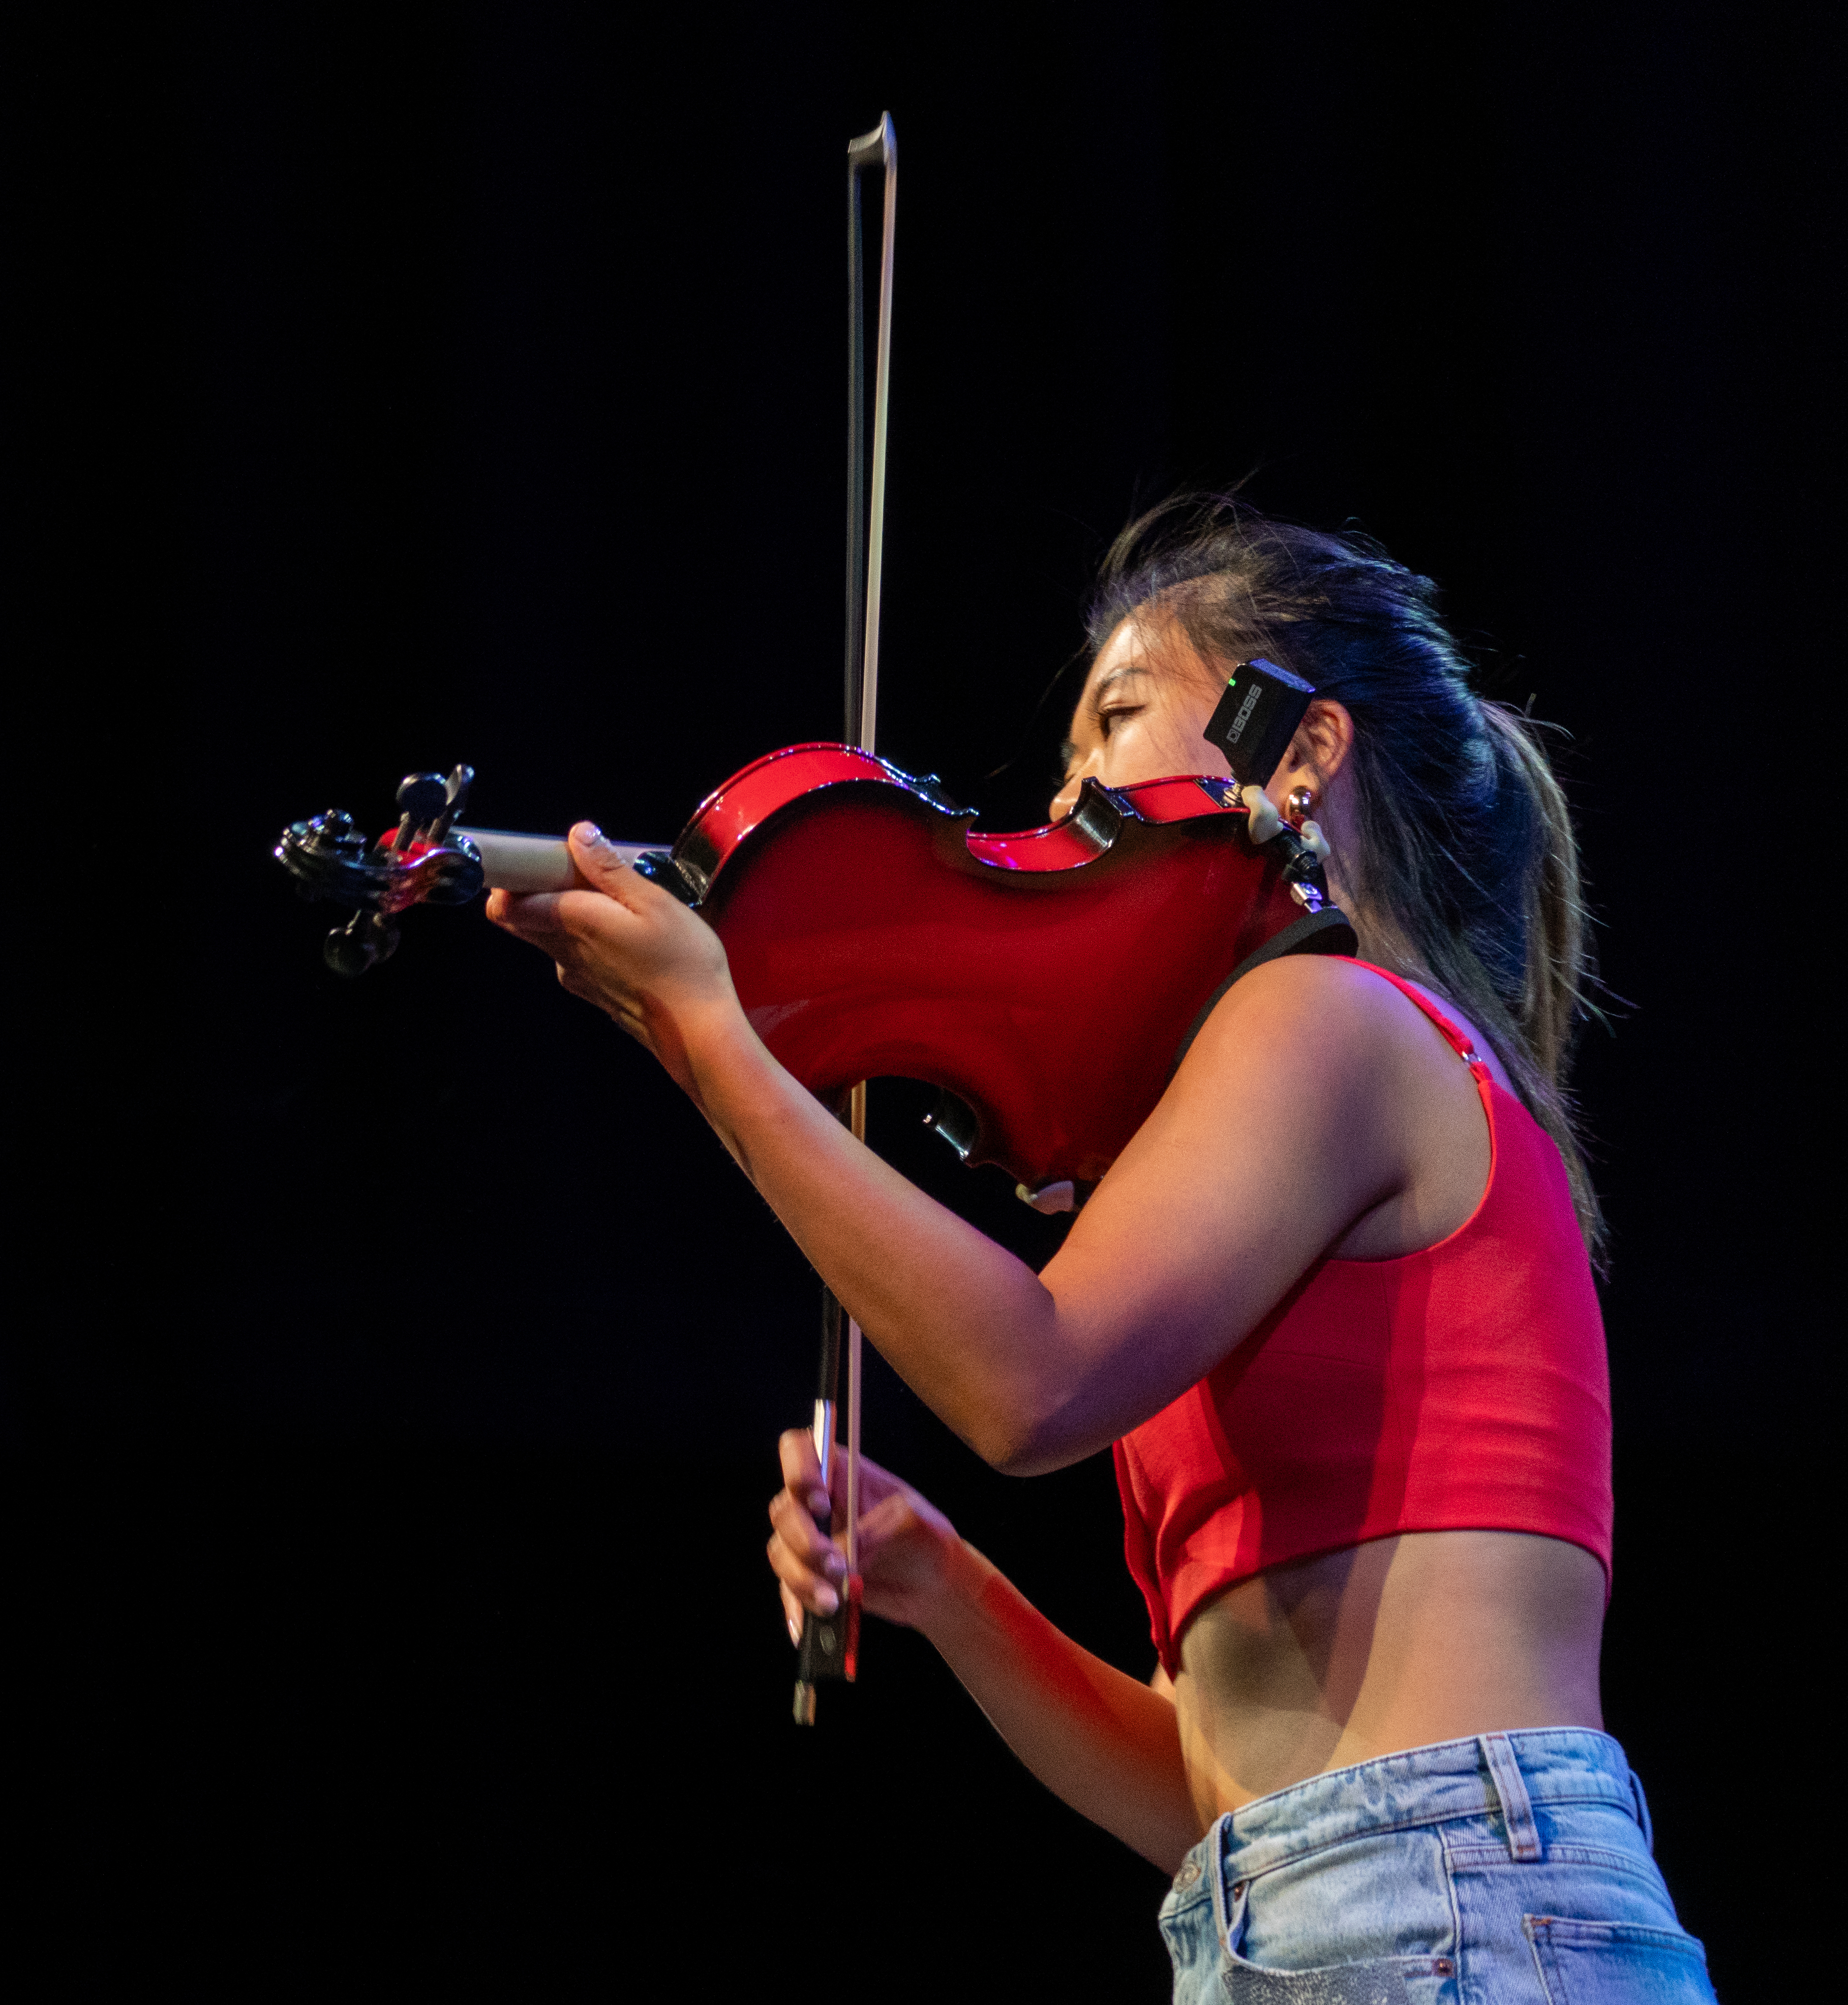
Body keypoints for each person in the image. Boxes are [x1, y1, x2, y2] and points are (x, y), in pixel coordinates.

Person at [486, 498, 1715, 2000]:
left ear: (1299, 751)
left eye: (1117, 722)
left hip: (1437, 1894)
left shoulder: (1334, 1020)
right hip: (1350, 1897)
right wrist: (944, 1585)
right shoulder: (1302, 1089)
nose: (1065, 802)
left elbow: (1029, 1382)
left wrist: (712, 1037)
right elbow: (1207, 1802)